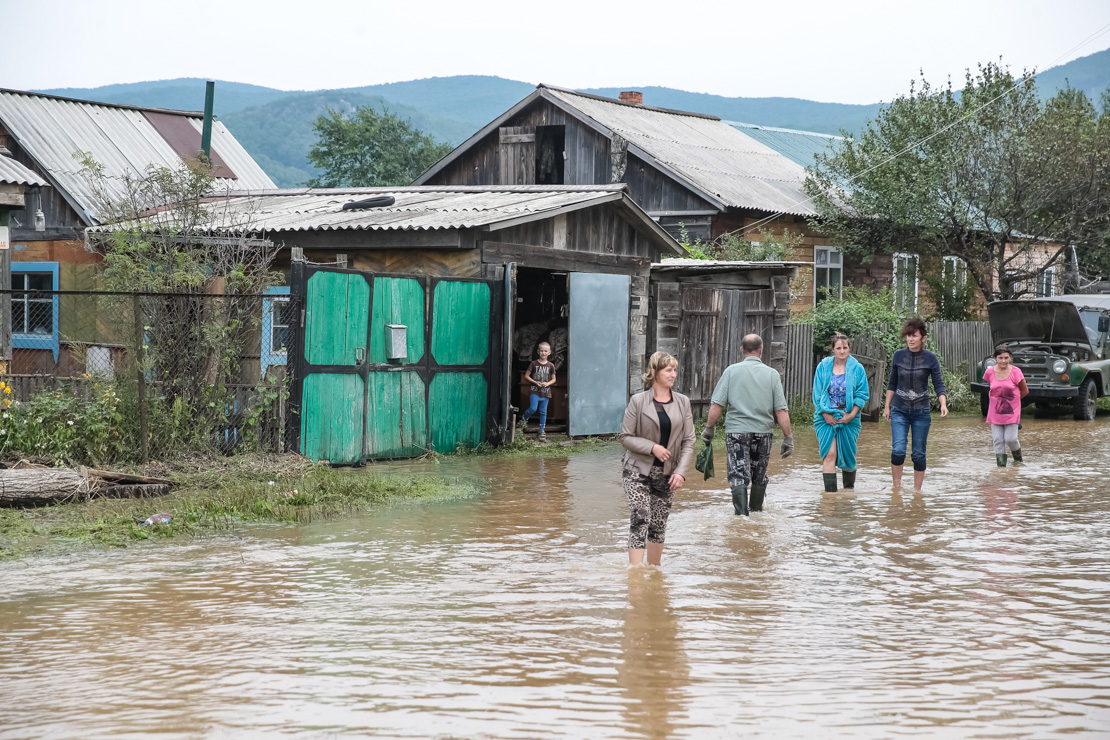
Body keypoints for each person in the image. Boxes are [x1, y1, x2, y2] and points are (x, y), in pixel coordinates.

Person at [701, 334, 793, 516]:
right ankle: (757, 514)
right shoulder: (772, 374)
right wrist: (788, 437)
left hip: (737, 433)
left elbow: (716, 405)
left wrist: (709, 428)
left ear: (742, 350)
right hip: (763, 434)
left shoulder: (731, 371)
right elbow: (781, 411)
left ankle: (742, 518)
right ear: (761, 350)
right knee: (759, 475)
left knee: (738, 475)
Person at [620, 351, 695, 566]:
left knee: (658, 524)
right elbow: (625, 437)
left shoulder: (683, 402)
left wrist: (680, 472)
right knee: (640, 517)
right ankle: (635, 575)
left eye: (675, 370)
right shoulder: (638, 401)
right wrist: (652, 447)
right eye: (668, 370)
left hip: (667, 473)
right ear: (654, 372)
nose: (673, 374)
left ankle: (654, 572)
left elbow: (689, 440)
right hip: (636, 470)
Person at [882, 317, 948, 490]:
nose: (910, 339)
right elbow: (892, 384)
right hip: (899, 410)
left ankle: (917, 492)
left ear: (923, 338)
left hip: (921, 412)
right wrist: (887, 406)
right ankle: (896, 488)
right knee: (898, 451)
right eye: (908, 336)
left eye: (914, 336)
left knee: (918, 454)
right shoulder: (898, 356)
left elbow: (938, 383)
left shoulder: (930, 358)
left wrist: (943, 404)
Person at [812, 333, 870, 492]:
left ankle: (848, 495)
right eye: (838, 348)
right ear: (833, 350)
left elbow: (862, 394)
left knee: (848, 457)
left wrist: (851, 415)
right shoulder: (823, 367)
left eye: (845, 348)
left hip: (849, 417)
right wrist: (825, 414)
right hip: (825, 417)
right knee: (829, 454)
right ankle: (830, 498)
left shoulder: (857, 368)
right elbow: (817, 393)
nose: (842, 351)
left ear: (849, 348)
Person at [983, 344, 1028, 466]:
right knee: (998, 440)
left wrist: (1014, 403)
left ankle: (1018, 461)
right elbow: (992, 389)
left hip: (1012, 411)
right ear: (995, 358)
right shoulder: (989, 372)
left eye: (1006, 358)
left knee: (1010, 439)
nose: (1003, 361)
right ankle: (1001, 469)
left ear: (1010, 358)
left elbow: (1024, 391)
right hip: (995, 411)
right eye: (1000, 358)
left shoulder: (1016, 372)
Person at [520, 341, 556, 442]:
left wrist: (547, 384)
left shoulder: (551, 366)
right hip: (534, 391)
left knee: (543, 411)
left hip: (546, 392)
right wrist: (535, 382)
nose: (543, 353)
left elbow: (554, 379)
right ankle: (523, 421)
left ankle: (541, 431)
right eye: (541, 351)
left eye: (545, 351)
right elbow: (526, 376)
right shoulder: (533, 364)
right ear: (538, 351)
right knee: (532, 408)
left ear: (549, 352)